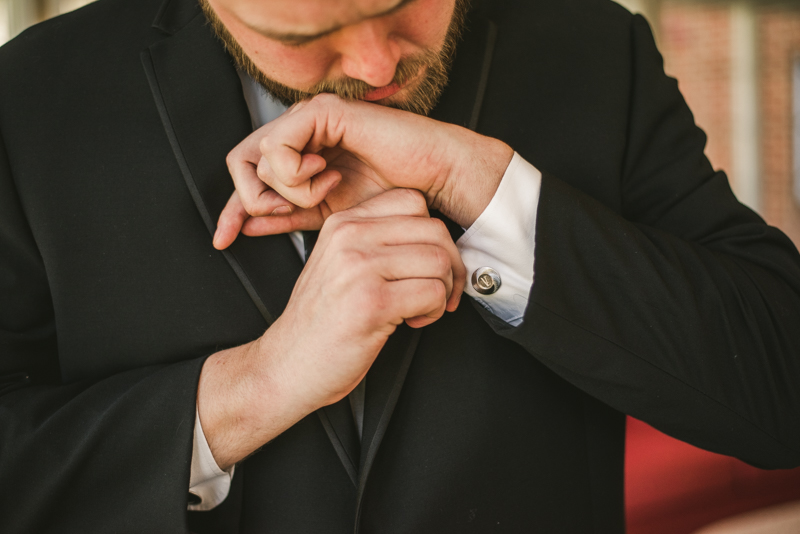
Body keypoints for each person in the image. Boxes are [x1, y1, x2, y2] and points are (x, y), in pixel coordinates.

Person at [1, 0, 799, 531]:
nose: (379, 67)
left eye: (402, 1)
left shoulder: (593, 46)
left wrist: (481, 189)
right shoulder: (32, 98)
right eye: (303, 36)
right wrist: (255, 387)